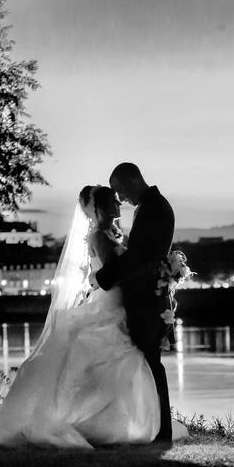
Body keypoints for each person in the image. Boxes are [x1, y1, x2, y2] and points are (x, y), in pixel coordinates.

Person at [0, 185, 185, 453]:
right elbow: (112, 274)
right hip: (110, 306)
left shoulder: (109, 233)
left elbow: (116, 270)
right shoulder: (100, 237)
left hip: (117, 306)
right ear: (100, 208)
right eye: (114, 201)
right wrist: (154, 275)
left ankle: (121, 422)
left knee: (120, 365)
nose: (119, 204)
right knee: (115, 363)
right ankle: (107, 424)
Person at [90, 163, 176, 443]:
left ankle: (161, 431)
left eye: (120, 190)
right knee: (148, 364)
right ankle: (152, 426)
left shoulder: (155, 208)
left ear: (132, 181)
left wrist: (101, 278)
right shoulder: (150, 206)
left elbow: (139, 257)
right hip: (144, 297)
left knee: (151, 365)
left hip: (147, 299)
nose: (121, 198)